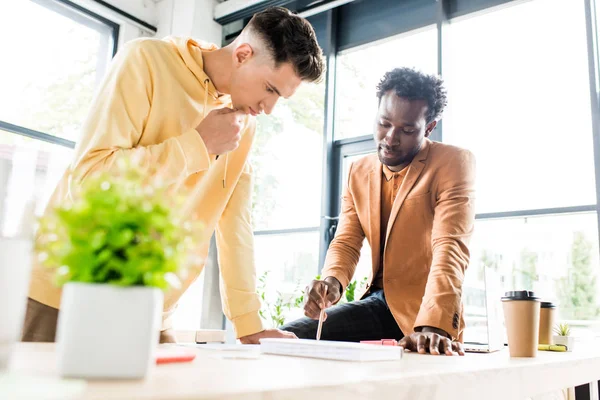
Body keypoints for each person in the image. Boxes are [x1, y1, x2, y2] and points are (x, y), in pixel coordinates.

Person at [23, 7, 325, 345]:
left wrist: (248, 323)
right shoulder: (146, 61)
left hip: (148, 312)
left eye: (279, 98)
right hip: (64, 294)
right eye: (270, 89)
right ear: (242, 54)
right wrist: (197, 145)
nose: (269, 107)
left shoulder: (244, 126)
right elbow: (90, 179)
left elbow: (234, 222)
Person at [282, 67, 476, 356]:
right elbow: (347, 240)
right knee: (289, 338)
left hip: (421, 312)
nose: (391, 138)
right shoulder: (357, 171)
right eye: (384, 123)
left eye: (407, 130)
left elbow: (450, 247)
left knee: (294, 338)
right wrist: (332, 282)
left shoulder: (452, 163)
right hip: (376, 304)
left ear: (430, 127)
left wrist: (433, 325)